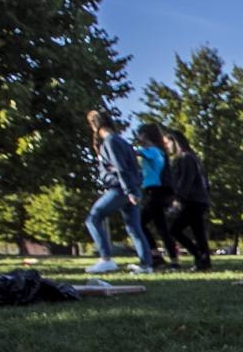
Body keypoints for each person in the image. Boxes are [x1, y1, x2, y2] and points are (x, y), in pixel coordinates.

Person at [84, 108, 152, 274]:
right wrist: (134, 189)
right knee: (134, 227)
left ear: (95, 126)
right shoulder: (124, 142)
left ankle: (106, 259)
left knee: (93, 218)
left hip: (120, 188)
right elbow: (133, 167)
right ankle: (146, 265)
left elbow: (120, 168)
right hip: (132, 187)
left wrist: (129, 191)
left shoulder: (110, 142)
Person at [161, 126, 214, 270]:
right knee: (198, 232)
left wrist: (178, 200)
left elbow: (186, 181)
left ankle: (199, 256)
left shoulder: (185, 158)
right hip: (199, 200)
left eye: (167, 143)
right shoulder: (192, 157)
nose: (167, 147)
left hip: (193, 200)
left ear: (175, 141)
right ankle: (204, 261)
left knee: (175, 230)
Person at [133, 122, 176, 268]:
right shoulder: (158, 151)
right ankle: (162, 256)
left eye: (138, 134)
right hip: (156, 192)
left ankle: (164, 257)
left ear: (144, 135)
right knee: (151, 224)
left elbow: (134, 152)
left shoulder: (151, 150)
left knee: (153, 225)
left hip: (155, 192)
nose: (137, 137)